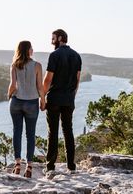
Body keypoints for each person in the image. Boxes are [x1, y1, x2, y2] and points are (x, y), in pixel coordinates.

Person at [42, 29, 82, 174]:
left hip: (54, 99)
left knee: (52, 132)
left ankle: (50, 167)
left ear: (59, 38)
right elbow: (77, 81)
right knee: (68, 131)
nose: (51, 41)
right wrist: (72, 97)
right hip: (69, 99)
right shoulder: (77, 56)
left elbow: (47, 80)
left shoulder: (54, 55)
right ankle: (71, 166)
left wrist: (42, 96)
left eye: (53, 38)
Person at [7, 40, 45, 177]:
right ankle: (29, 166)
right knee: (30, 134)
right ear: (29, 50)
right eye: (31, 48)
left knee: (17, 132)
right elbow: (40, 86)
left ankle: (17, 164)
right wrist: (43, 101)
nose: (33, 49)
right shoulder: (37, 66)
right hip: (31, 103)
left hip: (16, 102)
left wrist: (9, 96)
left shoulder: (14, 65)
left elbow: (12, 85)